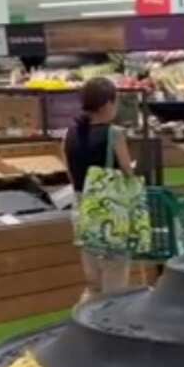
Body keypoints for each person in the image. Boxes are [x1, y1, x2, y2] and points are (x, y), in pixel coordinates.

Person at [64, 77, 136, 301]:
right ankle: (111, 331)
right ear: (107, 104)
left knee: (93, 285)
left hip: (82, 212)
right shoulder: (114, 134)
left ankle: (82, 329)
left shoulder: (70, 134)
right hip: (109, 215)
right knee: (114, 284)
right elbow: (127, 173)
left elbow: (70, 173)